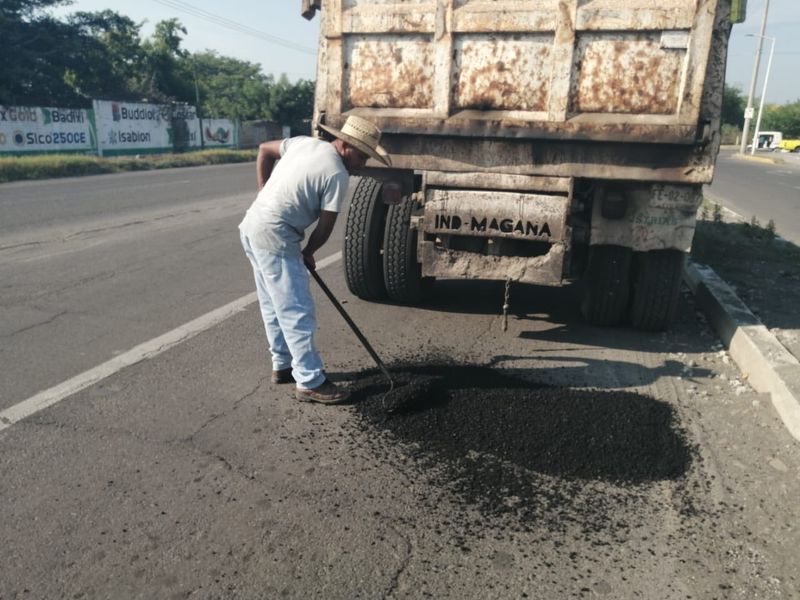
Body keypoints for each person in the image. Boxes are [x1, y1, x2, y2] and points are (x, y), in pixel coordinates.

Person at [239, 116, 391, 404]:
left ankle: (282, 366)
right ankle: (309, 381)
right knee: (297, 310)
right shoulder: (337, 174)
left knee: (273, 304)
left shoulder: (303, 144)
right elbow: (325, 226)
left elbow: (263, 149)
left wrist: (262, 189)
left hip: (252, 226)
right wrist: (309, 251)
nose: (362, 163)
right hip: (275, 235)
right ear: (345, 145)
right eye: (361, 156)